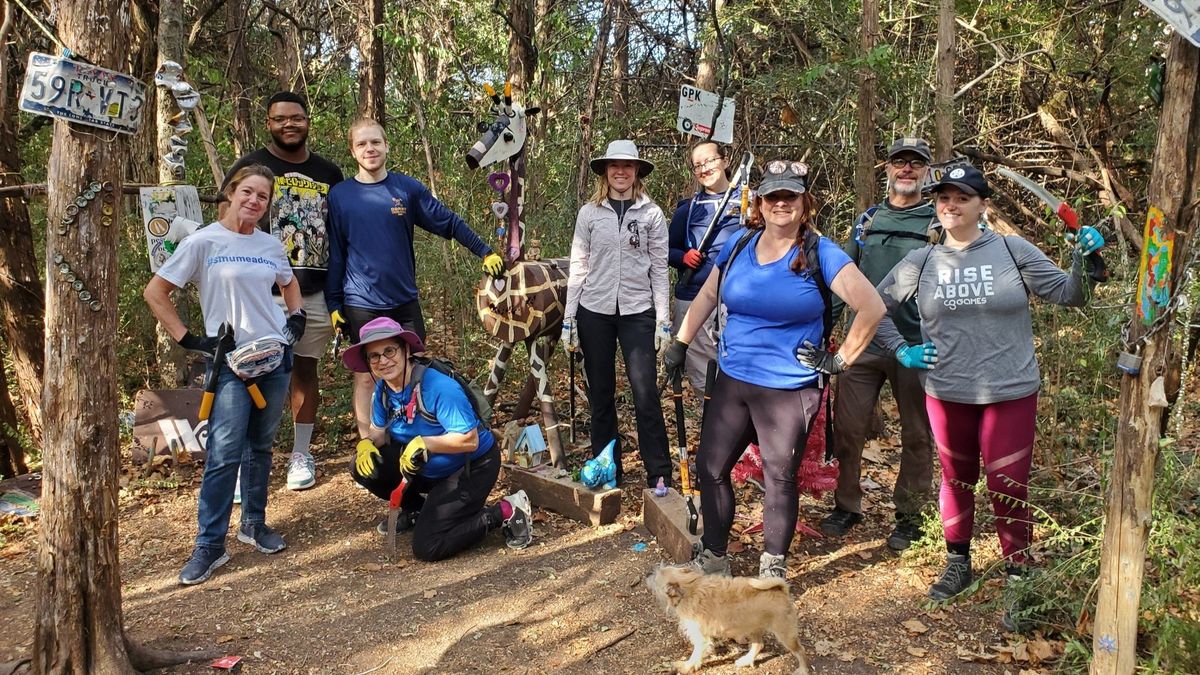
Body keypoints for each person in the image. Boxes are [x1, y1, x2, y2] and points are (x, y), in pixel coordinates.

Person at [871, 164, 1103, 615]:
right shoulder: (922, 261)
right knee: (957, 479)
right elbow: (873, 307)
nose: (950, 205)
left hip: (1011, 388)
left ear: (982, 204)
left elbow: (1069, 294)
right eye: (943, 198)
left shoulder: (1012, 251)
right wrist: (902, 351)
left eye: (961, 197)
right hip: (946, 390)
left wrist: (1087, 261)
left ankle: (1018, 570)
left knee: (1007, 483)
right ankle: (958, 561)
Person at [664, 160, 886, 580]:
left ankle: (772, 568)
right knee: (710, 469)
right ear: (759, 203)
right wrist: (680, 343)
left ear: (805, 204)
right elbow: (709, 295)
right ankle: (714, 557)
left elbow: (871, 306)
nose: (781, 203)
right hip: (733, 378)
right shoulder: (739, 245)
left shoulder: (821, 253)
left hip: (789, 387)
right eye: (772, 196)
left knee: (779, 477)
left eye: (790, 196)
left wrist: (840, 361)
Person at [144, 165, 307, 585]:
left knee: (262, 445)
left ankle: (254, 523)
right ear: (230, 195)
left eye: (263, 197)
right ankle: (209, 545)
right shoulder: (204, 241)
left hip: (274, 357)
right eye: (247, 192)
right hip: (231, 363)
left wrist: (296, 320)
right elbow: (156, 292)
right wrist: (190, 340)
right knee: (224, 451)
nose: (254, 201)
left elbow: (289, 286)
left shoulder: (271, 245)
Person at [326, 118, 504, 439]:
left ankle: (409, 434)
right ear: (353, 151)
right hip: (362, 303)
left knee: (410, 371)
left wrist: (485, 251)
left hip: (404, 301)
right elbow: (336, 253)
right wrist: (334, 304)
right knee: (368, 376)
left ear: (386, 146)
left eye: (376, 142)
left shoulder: (405, 189)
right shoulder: (340, 196)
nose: (370, 149)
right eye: (362, 144)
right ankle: (370, 443)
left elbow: (447, 222)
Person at [820, 137, 938, 550]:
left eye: (915, 163)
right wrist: (826, 327)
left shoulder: (936, 221)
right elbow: (841, 277)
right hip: (864, 342)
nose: (906, 169)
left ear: (926, 170)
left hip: (919, 344)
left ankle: (909, 515)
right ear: (886, 168)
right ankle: (847, 504)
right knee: (849, 427)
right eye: (899, 162)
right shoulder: (867, 220)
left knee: (917, 434)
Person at [224, 91, 344, 492]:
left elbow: (342, 230)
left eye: (296, 118)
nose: (289, 125)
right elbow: (228, 222)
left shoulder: (330, 173)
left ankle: (300, 454)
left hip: (313, 290)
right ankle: (245, 464)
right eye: (280, 119)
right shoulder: (250, 167)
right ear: (269, 124)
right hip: (260, 294)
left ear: (308, 120)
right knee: (252, 374)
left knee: (304, 371)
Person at [343, 317, 533, 560]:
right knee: (362, 467)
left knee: (428, 546)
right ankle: (418, 511)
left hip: (470, 467)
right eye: (375, 356)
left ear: (406, 350)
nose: (383, 361)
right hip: (425, 467)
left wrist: (427, 442)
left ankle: (505, 511)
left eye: (389, 351)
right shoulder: (383, 390)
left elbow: (470, 440)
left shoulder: (438, 387)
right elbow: (378, 433)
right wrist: (366, 443)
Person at [561, 139, 673, 488]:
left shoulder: (651, 213)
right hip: (594, 311)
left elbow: (659, 269)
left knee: (645, 393)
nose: (620, 172)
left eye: (627, 165)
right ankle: (606, 466)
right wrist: (569, 318)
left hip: (638, 311)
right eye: (614, 166)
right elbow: (578, 267)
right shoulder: (589, 213)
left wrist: (663, 320)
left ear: (637, 170)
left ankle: (659, 472)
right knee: (601, 394)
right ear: (605, 171)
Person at [667, 141, 746, 395]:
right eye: (698, 165)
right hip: (693, 298)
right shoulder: (687, 210)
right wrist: (683, 257)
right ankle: (709, 424)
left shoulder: (750, 204)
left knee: (738, 372)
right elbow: (666, 251)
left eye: (710, 161)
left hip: (737, 300)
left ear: (724, 161)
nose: (704, 169)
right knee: (702, 375)